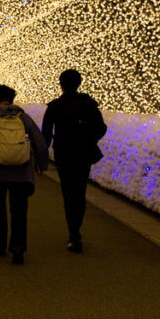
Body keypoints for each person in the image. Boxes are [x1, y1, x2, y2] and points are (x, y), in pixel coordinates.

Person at [0, 85, 49, 265]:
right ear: (12, 99)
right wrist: (41, 165)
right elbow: (40, 142)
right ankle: (18, 247)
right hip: (21, 171)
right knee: (19, 210)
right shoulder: (23, 117)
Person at [41, 69, 108, 253]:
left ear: (61, 84)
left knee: (68, 192)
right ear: (79, 83)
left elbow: (45, 135)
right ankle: (76, 231)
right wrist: (89, 138)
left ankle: (73, 233)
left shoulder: (55, 106)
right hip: (84, 154)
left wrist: (40, 158)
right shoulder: (89, 104)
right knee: (80, 192)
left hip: (64, 154)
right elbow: (101, 128)